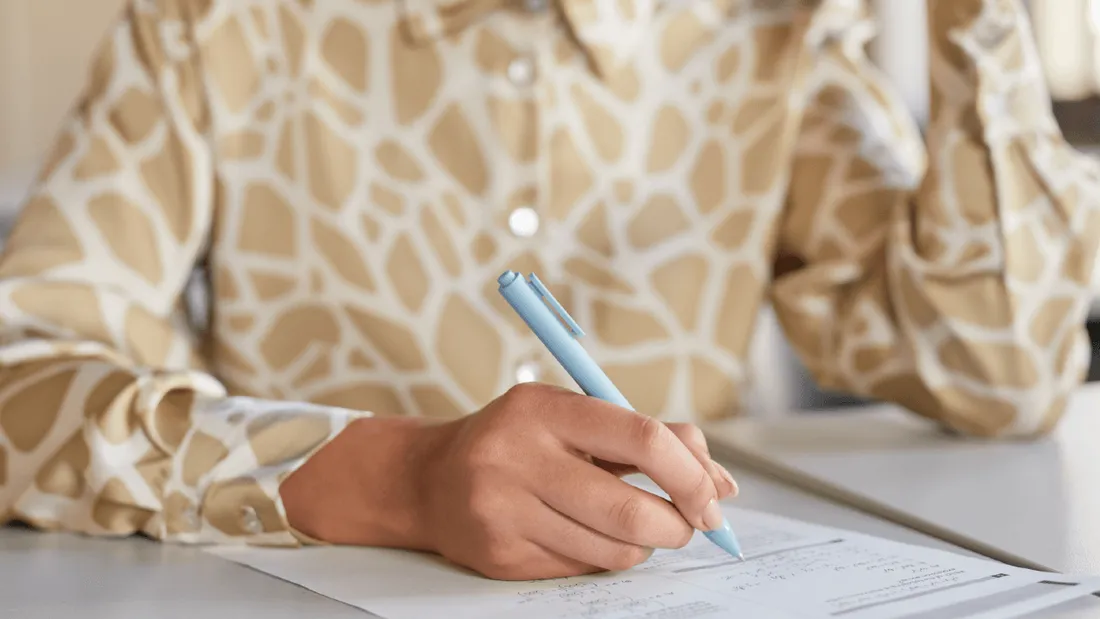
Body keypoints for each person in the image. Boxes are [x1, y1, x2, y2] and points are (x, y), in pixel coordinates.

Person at [0, 0, 1095, 582]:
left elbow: (999, 366)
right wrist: (401, 477)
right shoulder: (220, 23)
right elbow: (18, 382)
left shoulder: (776, 34)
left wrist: (976, 15)